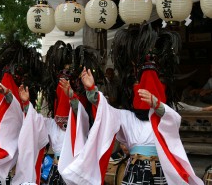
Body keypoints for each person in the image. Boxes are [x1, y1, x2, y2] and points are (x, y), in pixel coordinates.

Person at [60, 23, 204, 185]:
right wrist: (91, 89)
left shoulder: (164, 117)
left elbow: (173, 119)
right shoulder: (125, 116)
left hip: (160, 168)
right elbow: (104, 111)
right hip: (136, 168)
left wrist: (157, 106)